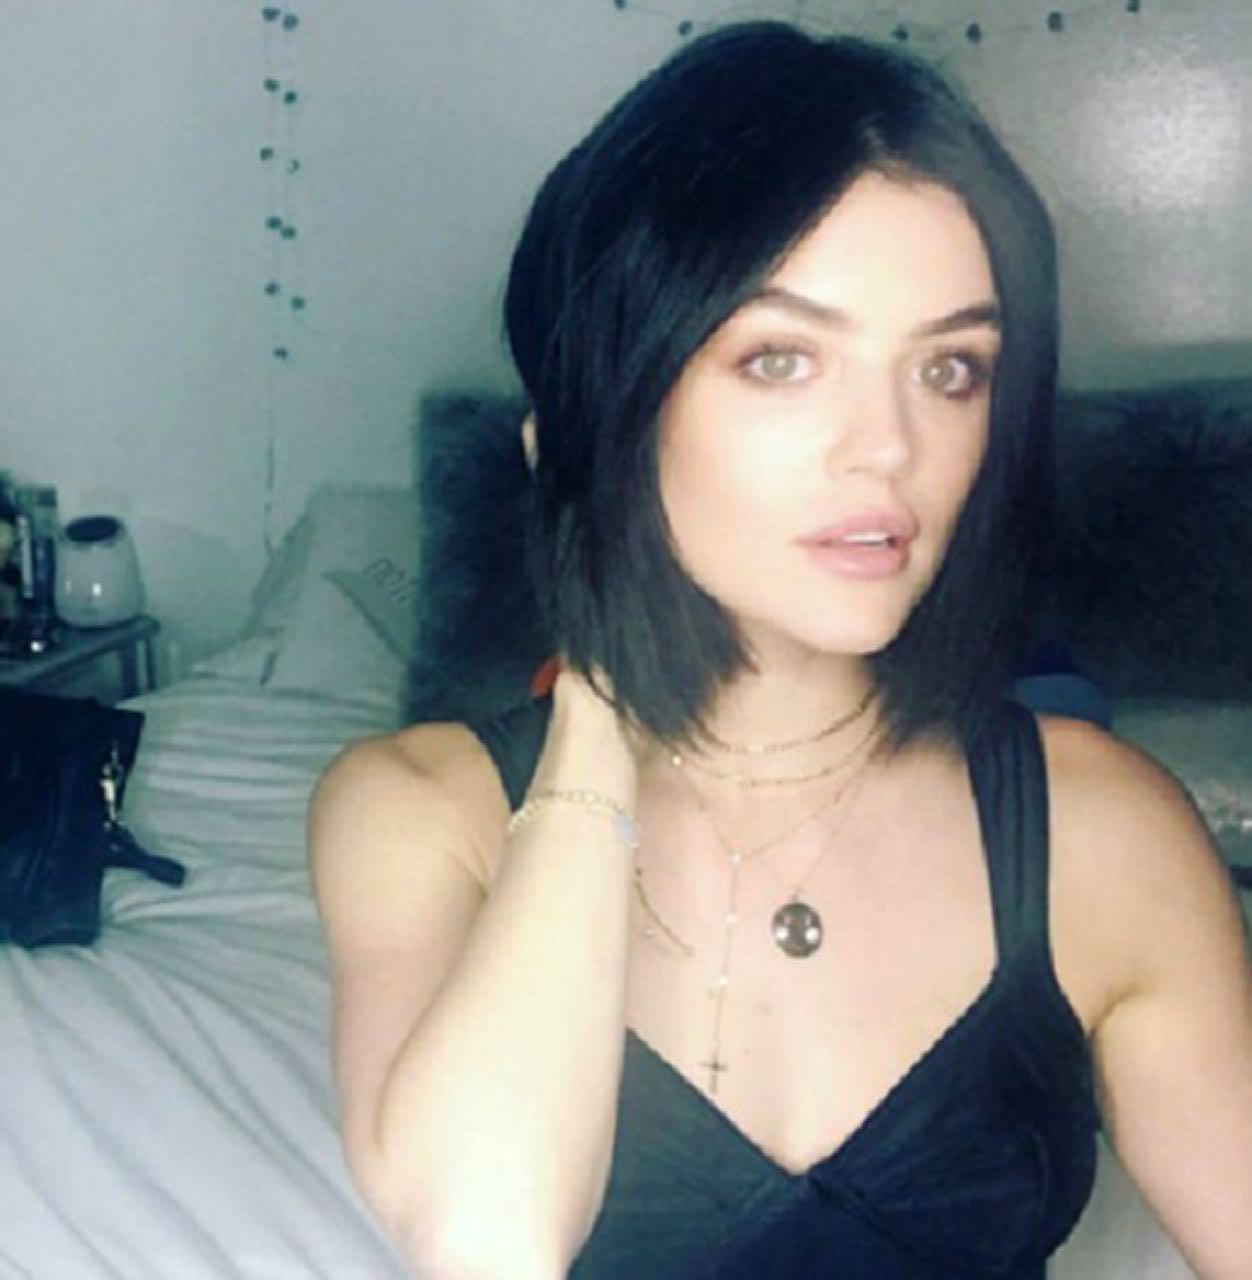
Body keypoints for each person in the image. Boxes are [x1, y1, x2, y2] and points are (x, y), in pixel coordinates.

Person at [309, 21, 1252, 1279]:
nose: (888, 446)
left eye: (949, 368)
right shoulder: (416, 812)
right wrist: (599, 703)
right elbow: (489, 1239)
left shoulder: (1102, 826)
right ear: (609, 405)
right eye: (782, 358)